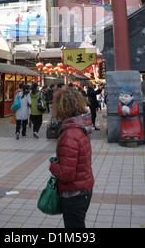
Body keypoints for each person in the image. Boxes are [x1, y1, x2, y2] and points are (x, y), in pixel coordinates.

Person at [49, 88, 94, 228]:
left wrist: (53, 166)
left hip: (74, 192)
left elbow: (67, 175)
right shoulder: (80, 126)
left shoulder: (69, 134)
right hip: (83, 186)